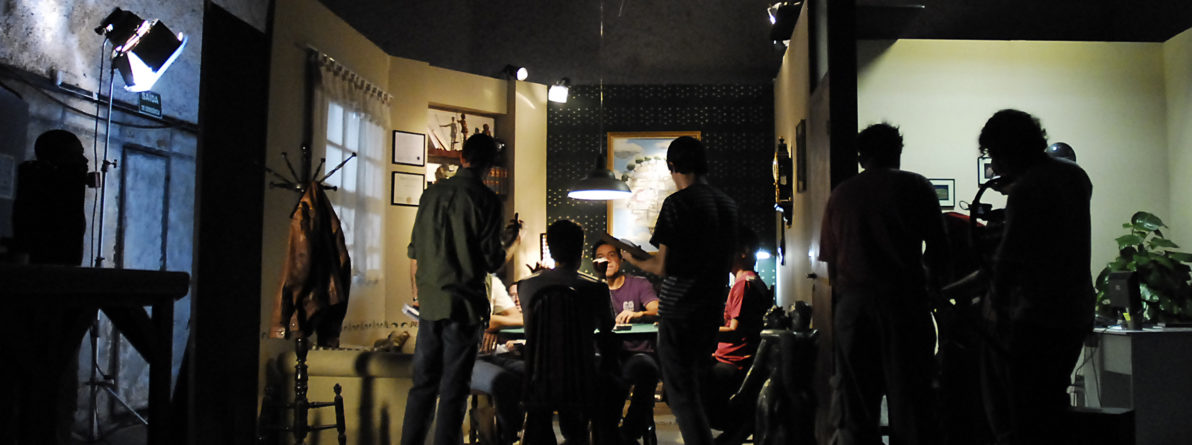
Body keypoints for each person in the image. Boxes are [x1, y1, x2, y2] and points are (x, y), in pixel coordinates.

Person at [818, 123, 949, 445]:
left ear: (861, 157)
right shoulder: (916, 187)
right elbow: (939, 249)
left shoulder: (841, 195)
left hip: (854, 307)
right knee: (911, 402)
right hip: (905, 303)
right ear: (897, 152)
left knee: (857, 404)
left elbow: (831, 263)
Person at [976, 109, 1093, 445]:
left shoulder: (1027, 189)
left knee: (1023, 412)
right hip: (1075, 311)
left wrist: (994, 309)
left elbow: (1009, 258)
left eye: (995, 155)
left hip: (1036, 316)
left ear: (1008, 150)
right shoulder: (1076, 176)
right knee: (1052, 404)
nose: (994, 166)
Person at [402, 133, 520, 445]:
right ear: (490, 165)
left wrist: (418, 294)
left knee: (422, 386)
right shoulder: (487, 200)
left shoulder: (431, 195)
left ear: (462, 157)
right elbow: (492, 260)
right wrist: (512, 244)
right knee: (454, 389)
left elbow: (414, 252)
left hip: (429, 305)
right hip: (464, 307)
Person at [624, 136, 739, 445]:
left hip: (679, 311)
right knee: (694, 391)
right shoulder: (728, 204)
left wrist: (633, 258)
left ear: (672, 166)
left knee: (681, 396)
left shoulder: (678, 203)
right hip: (710, 308)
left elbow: (663, 266)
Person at [518, 220, 618, 445]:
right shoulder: (595, 287)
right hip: (581, 378)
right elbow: (608, 327)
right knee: (612, 378)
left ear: (550, 250)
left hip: (539, 378)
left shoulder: (526, 286)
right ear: (581, 249)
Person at [593, 239, 661, 442]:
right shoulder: (592, 289)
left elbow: (657, 309)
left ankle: (629, 433)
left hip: (636, 353)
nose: (606, 260)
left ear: (621, 260)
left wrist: (638, 314)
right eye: (600, 256)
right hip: (604, 356)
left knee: (647, 369)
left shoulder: (639, 283)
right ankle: (609, 433)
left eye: (611, 255)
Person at [706, 226, 771, 436]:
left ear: (743, 251)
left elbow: (735, 332)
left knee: (683, 384)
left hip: (734, 363)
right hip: (733, 359)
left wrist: (700, 330)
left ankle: (737, 427)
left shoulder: (744, 285)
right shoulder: (751, 281)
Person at [469, 274, 525, 445]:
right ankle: (508, 437)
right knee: (504, 381)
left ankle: (522, 431)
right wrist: (489, 323)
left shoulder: (490, 281)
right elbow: (473, 319)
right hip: (464, 359)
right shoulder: (455, 279)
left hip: (488, 356)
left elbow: (520, 318)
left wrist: (494, 325)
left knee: (532, 372)